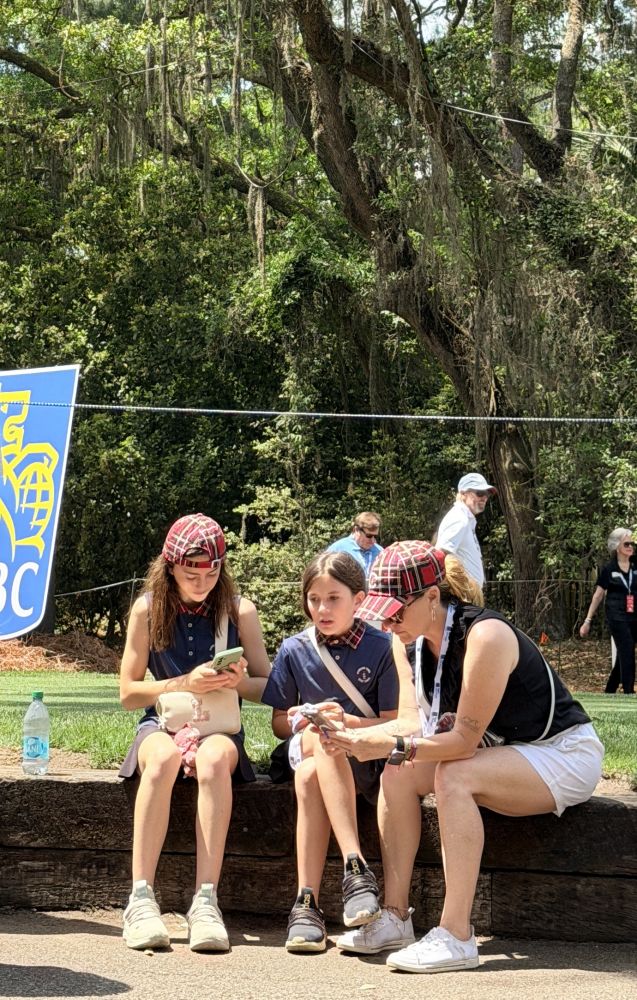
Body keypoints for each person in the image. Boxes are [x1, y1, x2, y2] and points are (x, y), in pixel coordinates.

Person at [326, 540, 603, 974]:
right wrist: (350, 732)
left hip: (562, 753)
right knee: (398, 774)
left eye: (395, 612)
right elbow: (410, 723)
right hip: (502, 751)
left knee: (453, 775)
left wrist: (388, 746)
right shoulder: (407, 642)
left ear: (432, 596)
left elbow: (462, 743)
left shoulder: (485, 635)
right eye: (382, 613)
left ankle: (456, 935)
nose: (387, 622)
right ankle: (395, 917)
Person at [118, 513, 270, 952]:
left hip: (218, 726)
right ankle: (141, 898)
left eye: (212, 572)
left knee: (214, 758)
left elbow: (269, 686)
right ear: (170, 567)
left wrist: (237, 681)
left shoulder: (240, 610)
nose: (202, 582)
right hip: (163, 723)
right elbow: (128, 693)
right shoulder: (148, 609)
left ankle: (206, 900)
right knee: (162, 757)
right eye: (191, 573)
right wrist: (184, 682)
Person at [261, 551, 398, 953]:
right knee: (321, 740)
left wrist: (348, 722)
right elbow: (278, 722)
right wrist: (304, 717)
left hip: (362, 759)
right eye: (314, 599)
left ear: (359, 599)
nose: (322, 609)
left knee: (312, 770)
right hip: (307, 746)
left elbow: (395, 722)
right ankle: (356, 870)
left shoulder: (384, 647)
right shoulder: (293, 649)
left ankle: (306, 904)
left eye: (334, 598)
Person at [580, 527, 636, 695]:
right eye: (626, 544)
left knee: (624, 654)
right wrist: (587, 621)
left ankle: (610, 690)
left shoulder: (635, 565)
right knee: (627, 649)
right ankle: (629, 693)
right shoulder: (609, 569)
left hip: (634, 615)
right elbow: (598, 595)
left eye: (632, 544)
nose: (630, 547)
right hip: (616, 616)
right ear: (617, 547)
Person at [435, 473, 496, 589]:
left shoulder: (465, 519)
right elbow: (440, 555)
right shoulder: (459, 519)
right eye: (480, 493)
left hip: (468, 594)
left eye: (487, 494)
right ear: (463, 494)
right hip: (460, 595)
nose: (484, 497)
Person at [328, 512, 383, 581]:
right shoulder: (337, 550)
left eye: (375, 536)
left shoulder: (380, 552)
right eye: (369, 536)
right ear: (356, 530)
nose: (373, 540)